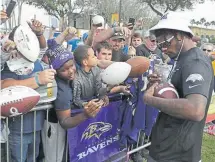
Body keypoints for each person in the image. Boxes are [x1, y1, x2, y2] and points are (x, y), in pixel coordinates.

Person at [144, 11, 214, 162]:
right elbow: (175, 95)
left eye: (166, 43)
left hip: (177, 154)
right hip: (166, 146)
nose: (162, 49)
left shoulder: (195, 62)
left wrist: (150, 100)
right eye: (159, 44)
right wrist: (157, 86)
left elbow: (195, 110)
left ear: (180, 35)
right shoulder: (180, 59)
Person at [1, 20, 56, 162]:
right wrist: (37, 81)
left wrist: (39, 34)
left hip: (36, 127)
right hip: (17, 129)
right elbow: (4, 85)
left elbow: (43, 48)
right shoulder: (10, 62)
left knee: (33, 158)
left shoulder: (35, 59)